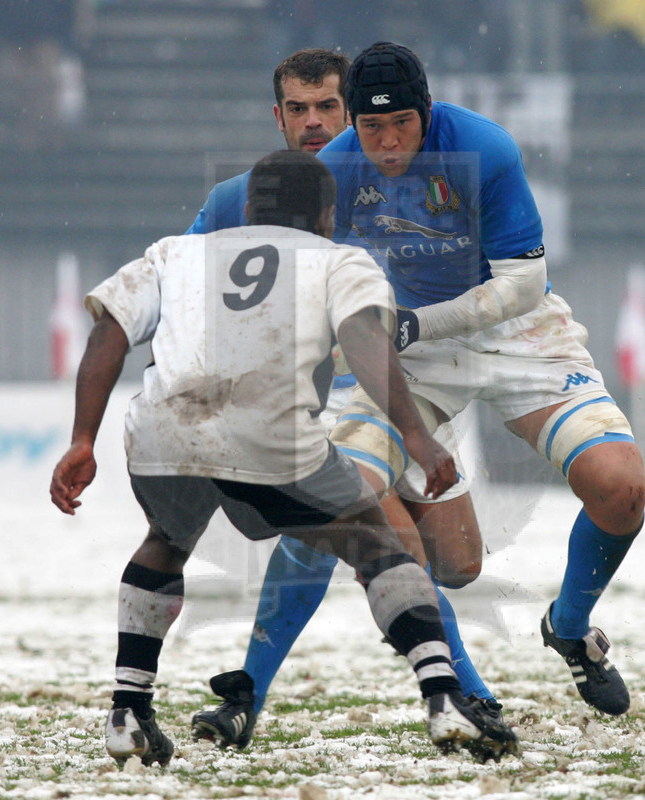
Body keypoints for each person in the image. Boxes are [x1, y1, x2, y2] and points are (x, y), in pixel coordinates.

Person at [49, 150, 519, 766]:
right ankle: (444, 697)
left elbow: (109, 329)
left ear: (247, 209)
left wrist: (83, 438)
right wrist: (417, 433)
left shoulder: (173, 252)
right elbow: (363, 339)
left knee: (165, 539)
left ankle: (128, 709)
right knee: (375, 545)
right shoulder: (340, 260)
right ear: (328, 216)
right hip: (269, 436)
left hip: (165, 430)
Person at [313, 41, 645, 719]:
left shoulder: (485, 150)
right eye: (370, 127)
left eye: (400, 123)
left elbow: (521, 284)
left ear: (427, 111)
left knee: (621, 489)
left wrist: (417, 325)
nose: (386, 141)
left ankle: (572, 631)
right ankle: (463, 686)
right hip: (407, 347)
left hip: (511, 330)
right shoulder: (333, 171)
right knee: (364, 501)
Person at [185, 48, 503, 742]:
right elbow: (185, 298)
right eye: (297, 109)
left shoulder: (399, 182)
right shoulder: (239, 199)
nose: (313, 123)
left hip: (410, 396)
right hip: (324, 410)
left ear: (355, 116)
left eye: (329, 107)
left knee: (458, 562)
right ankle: (462, 696)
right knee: (370, 534)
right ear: (278, 117)